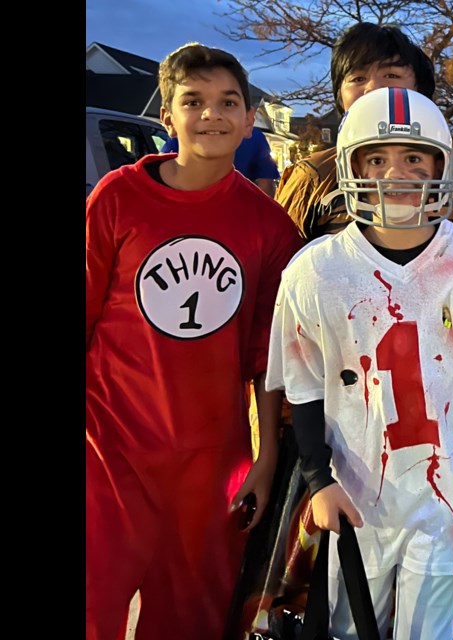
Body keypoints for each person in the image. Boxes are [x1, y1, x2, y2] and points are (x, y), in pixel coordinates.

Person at [265, 86, 453, 640]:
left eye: (414, 157)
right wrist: (319, 479)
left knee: (429, 632)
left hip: (447, 498)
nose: (395, 172)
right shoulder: (314, 270)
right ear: (351, 166)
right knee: (347, 629)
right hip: (356, 490)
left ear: (442, 164)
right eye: (376, 157)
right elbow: (304, 389)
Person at [85, 42, 303, 640]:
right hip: (109, 444)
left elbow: (268, 357)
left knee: (192, 616)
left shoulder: (268, 226)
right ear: (167, 117)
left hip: (211, 461)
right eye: (194, 101)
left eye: (228, 102)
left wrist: (266, 457)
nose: (212, 114)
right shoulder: (118, 197)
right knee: (93, 598)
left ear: (249, 119)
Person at [274, 22, 453, 256]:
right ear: (339, 95)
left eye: (391, 74)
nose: (374, 88)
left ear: (419, 88)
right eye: (357, 78)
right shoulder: (312, 178)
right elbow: (281, 266)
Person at [162, 125, 280, 196]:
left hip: (188, 212)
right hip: (238, 217)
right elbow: (266, 185)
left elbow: (161, 170)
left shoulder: (184, 134)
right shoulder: (254, 136)